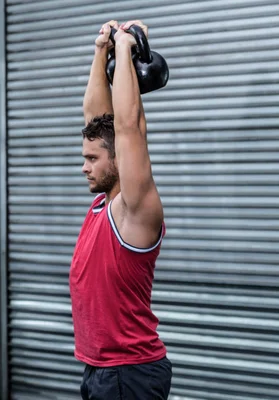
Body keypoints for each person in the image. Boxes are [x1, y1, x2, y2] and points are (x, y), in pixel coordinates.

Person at [69, 20, 172, 399]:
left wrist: (126, 48)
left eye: (93, 159)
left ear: (117, 161)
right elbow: (98, 119)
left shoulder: (135, 210)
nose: (84, 167)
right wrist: (101, 51)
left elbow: (128, 129)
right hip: (100, 370)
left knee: (122, 131)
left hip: (129, 373)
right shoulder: (102, 204)